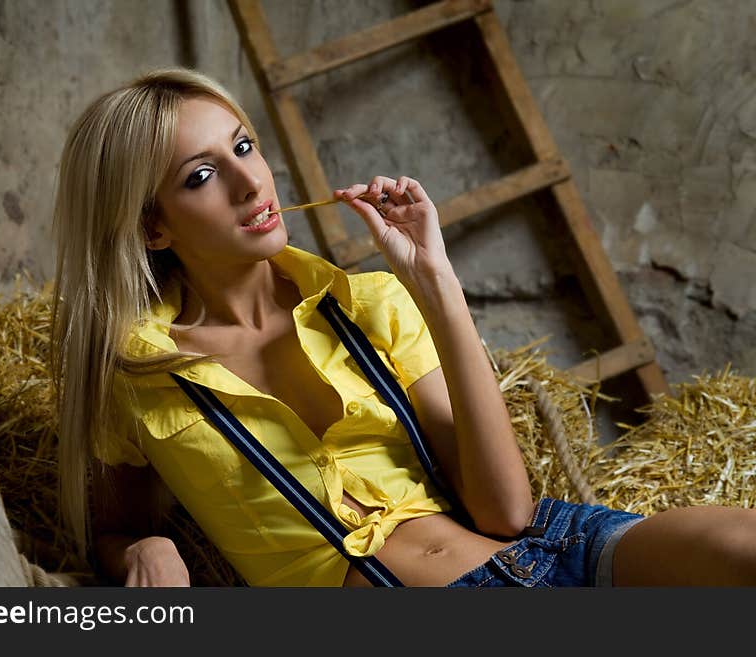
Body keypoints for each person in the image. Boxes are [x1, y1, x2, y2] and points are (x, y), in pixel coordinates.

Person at [50, 67, 756, 588]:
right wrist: (140, 549)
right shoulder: (138, 374)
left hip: (554, 545)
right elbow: (114, 526)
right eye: (201, 176)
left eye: (243, 147)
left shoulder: (369, 301)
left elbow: (506, 510)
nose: (250, 184)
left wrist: (436, 283)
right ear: (152, 224)